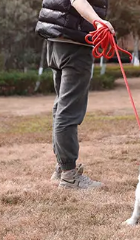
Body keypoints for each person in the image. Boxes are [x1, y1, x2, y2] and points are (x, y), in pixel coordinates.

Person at [35, 0, 114, 189]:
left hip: (56, 42)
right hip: (74, 44)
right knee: (68, 111)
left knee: (61, 108)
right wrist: (98, 21)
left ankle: (62, 169)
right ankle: (69, 176)